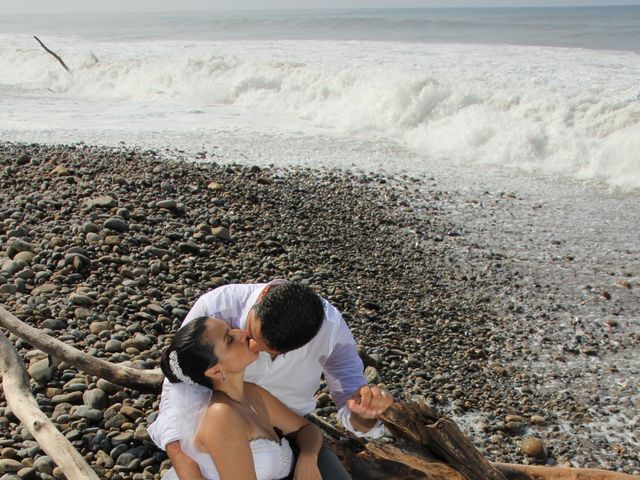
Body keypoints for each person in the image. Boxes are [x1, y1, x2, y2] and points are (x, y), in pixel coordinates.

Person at [149, 280, 394, 479]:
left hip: (287, 424)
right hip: (223, 432)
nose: (251, 343)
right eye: (251, 334)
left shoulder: (330, 332)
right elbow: (176, 393)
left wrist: (363, 415)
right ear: (262, 296)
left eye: (272, 352)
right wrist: (185, 465)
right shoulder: (217, 310)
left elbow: (350, 407)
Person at [159, 316, 323, 480]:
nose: (242, 333)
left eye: (231, 328)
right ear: (215, 371)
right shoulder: (221, 414)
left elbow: (307, 429)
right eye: (230, 339)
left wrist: (308, 458)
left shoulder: (252, 393)